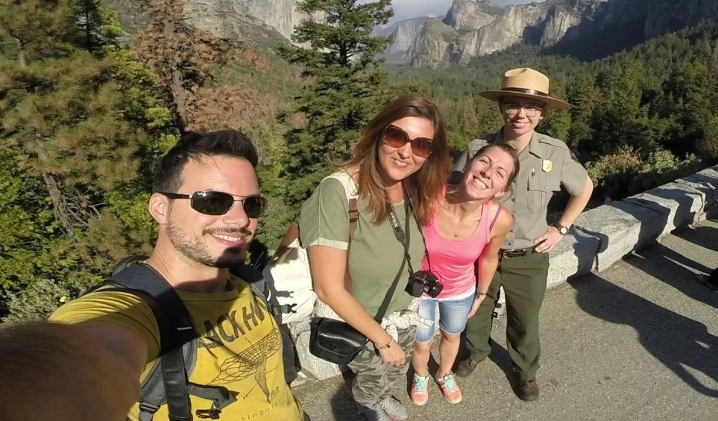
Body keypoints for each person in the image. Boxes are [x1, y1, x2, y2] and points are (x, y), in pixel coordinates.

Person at [0, 130, 305, 421]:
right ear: (160, 208)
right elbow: (76, 361)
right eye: (213, 201)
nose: (241, 220)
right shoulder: (136, 312)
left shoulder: (248, 282)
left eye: (251, 204)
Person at [299, 95, 450, 421]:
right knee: (370, 378)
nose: (406, 152)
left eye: (422, 145)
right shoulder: (339, 192)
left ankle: (383, 400)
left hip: (404, 312)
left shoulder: (411, 186)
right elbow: (327, 288)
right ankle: (369, 410)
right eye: (398, 136)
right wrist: (382, 341)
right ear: (379, 133)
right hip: (361, 324)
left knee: (394, 371)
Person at [453, 67, 594, 402]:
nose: (521, 114)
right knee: (475, 311)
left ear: (541, 114)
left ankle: (525, 372)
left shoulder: (554, 153)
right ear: (502, 107)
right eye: (513, 104)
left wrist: (561, 228)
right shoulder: (479, 148)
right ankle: (475, 353)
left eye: (531, 107)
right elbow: (452, 190)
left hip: (527, 257)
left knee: (525, 321)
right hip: (480, 253)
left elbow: (585, 188)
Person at [410, 143, 518, 406]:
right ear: (469, 164)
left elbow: (489, 257)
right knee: (422, 341)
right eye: (484, 162)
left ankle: (444, 374)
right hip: (420, 289)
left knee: (451, 335)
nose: (487, 173)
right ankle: (421, 375)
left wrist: (482, 293)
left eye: (500, 172)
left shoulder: (499, 220)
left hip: (460, 291)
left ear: (502, 190)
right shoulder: (431, 197)